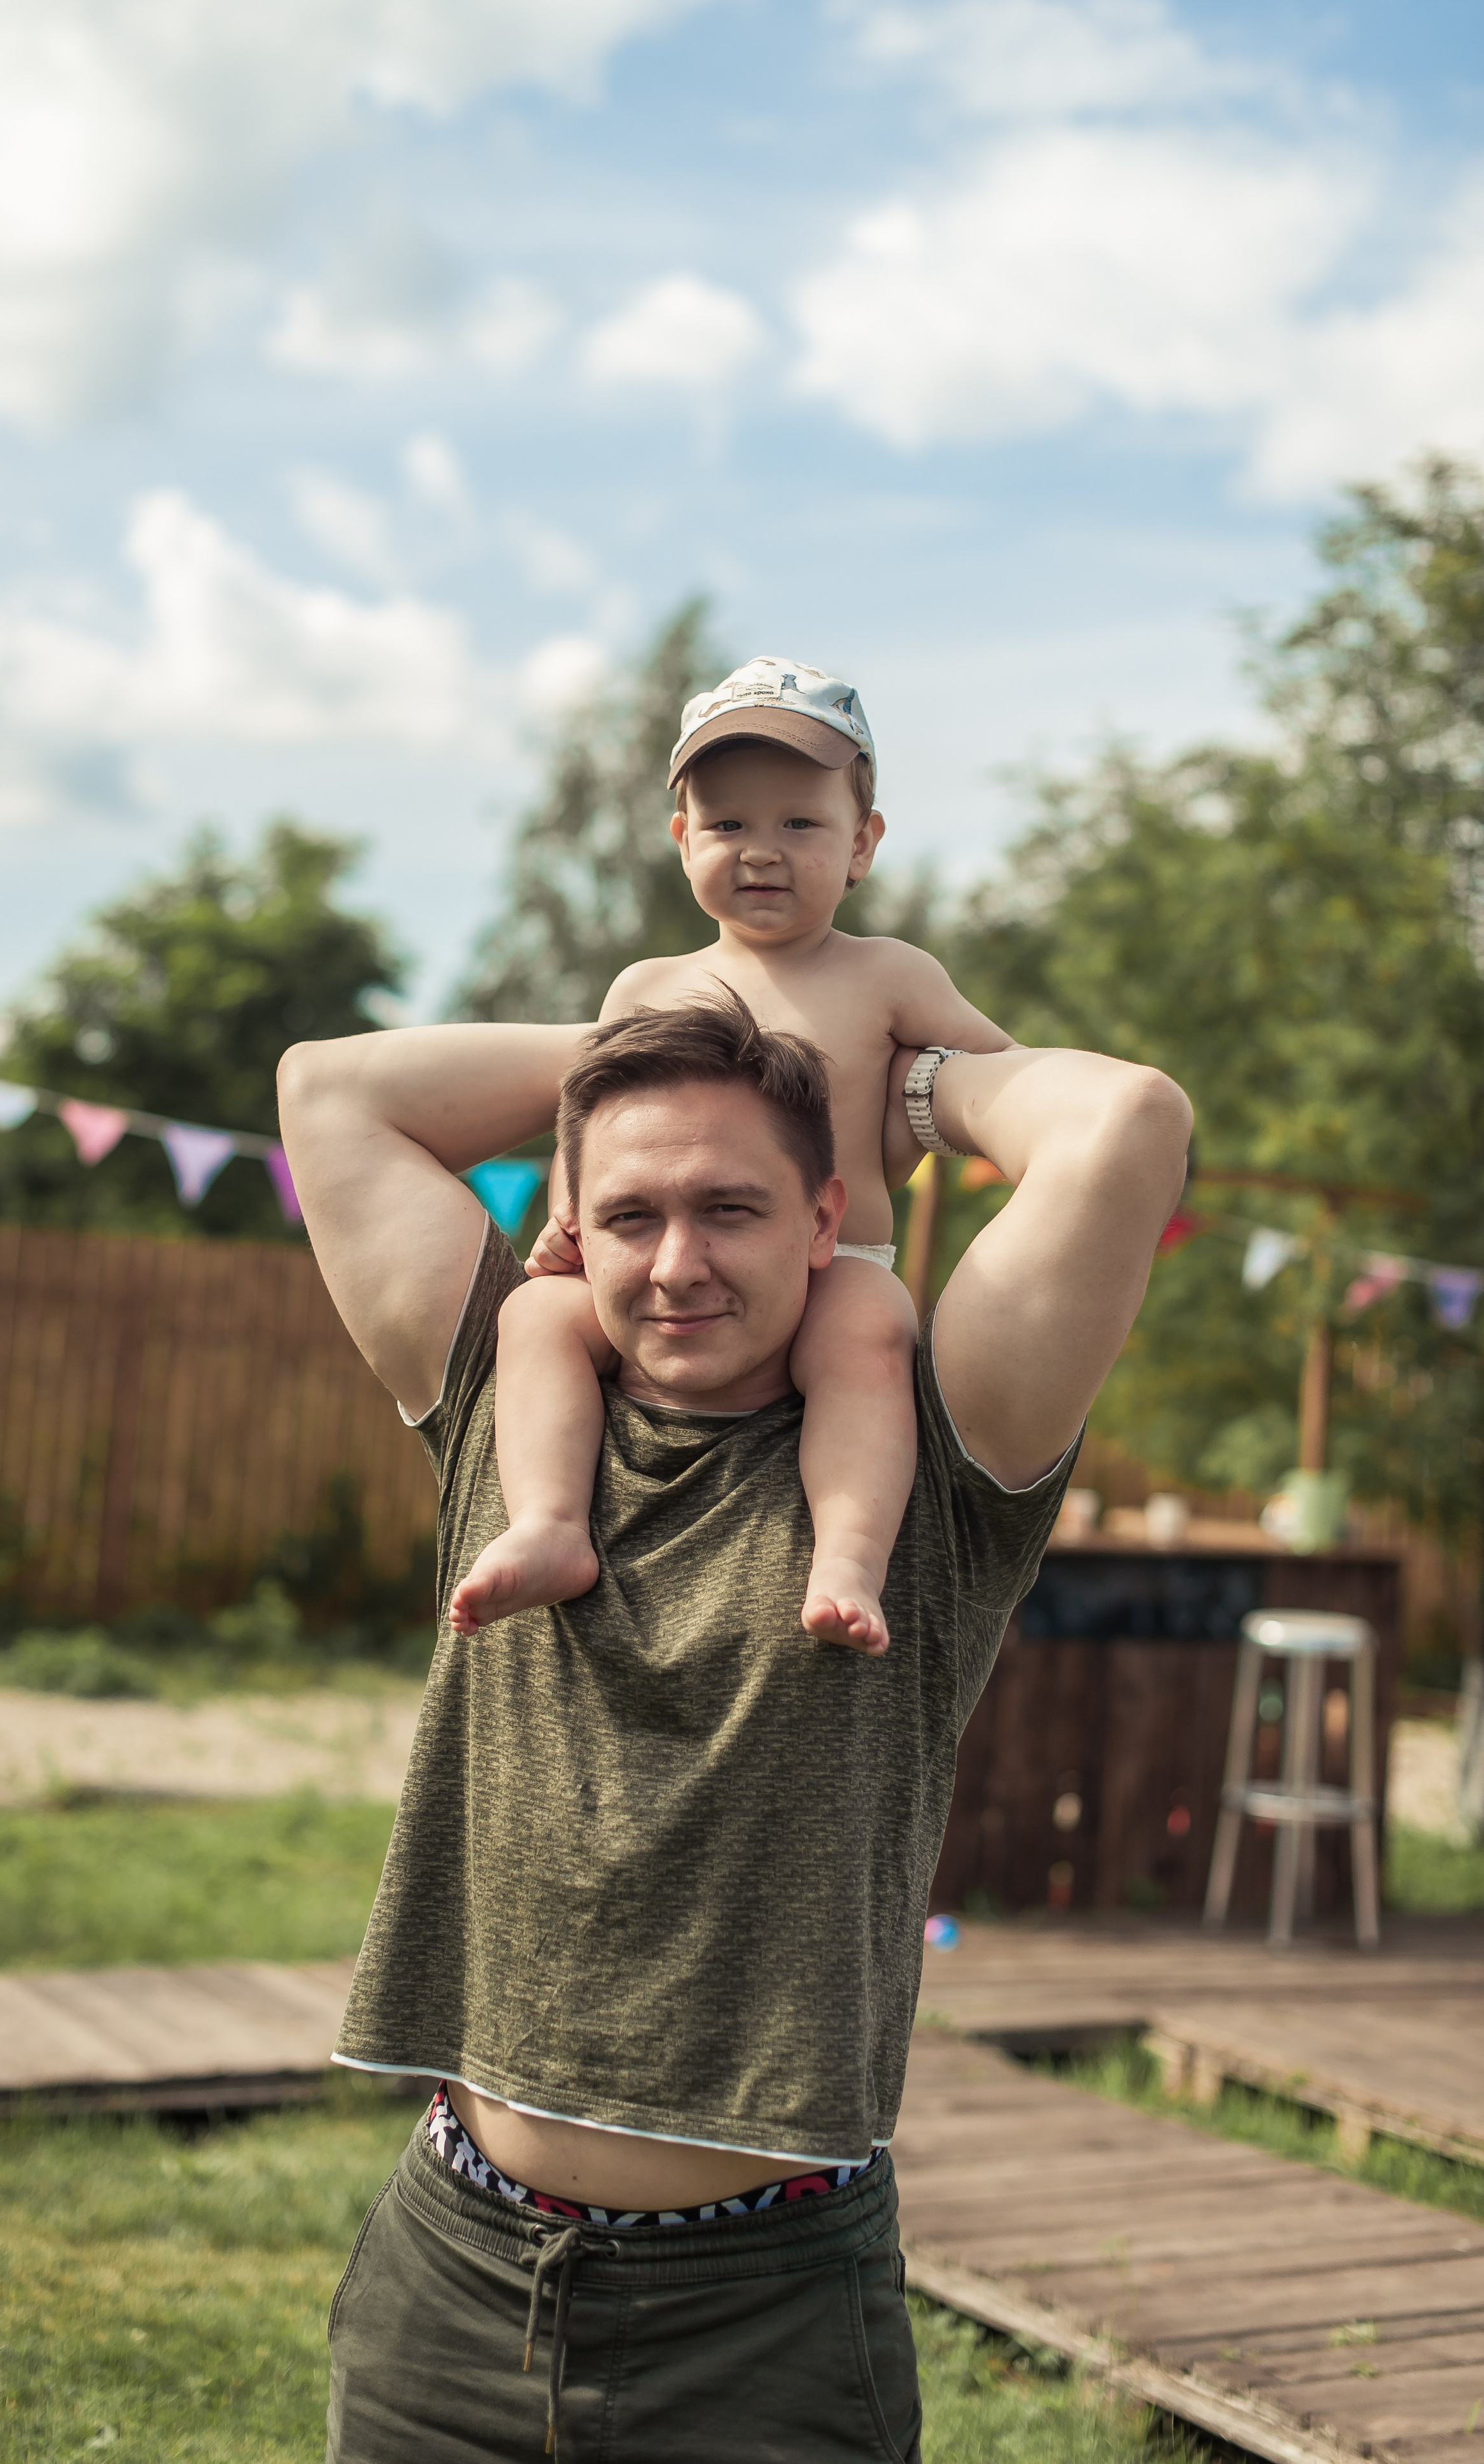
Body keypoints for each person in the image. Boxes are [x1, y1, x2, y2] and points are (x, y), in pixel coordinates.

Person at [277, 978, 1190, 2462]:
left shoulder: (932, 1462)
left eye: (734, 1208)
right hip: (448, 2284)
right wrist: (642, 1053)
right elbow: (331, 1090)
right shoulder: (499, 1415)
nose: (677, 1263)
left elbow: (1123, 1121)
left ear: (825, 1219)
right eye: (629, 1215)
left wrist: (891, 1083)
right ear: (569, 1227)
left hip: (765, 2315)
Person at [450, 657, 1014, 1660]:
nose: (762, 851)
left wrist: (920, 1106)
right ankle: (546, 1521)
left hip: (835, 1269)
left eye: (799, 824)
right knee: (534, 1315)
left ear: (862, 845)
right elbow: (593, 1117)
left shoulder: (888, 974)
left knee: (872, 1331)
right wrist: (567, 1215)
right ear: (681, 842)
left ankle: (846, 1555)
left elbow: (1007, 1077)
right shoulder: (649, 984)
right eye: (728, 826)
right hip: (663, 1272)